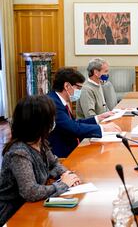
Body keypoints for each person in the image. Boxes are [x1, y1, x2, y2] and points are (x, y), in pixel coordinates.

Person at [0, 95, 81, 226]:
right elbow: (31, 192)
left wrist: (67, 174)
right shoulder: (19, 153)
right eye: (50, 118)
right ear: (38, 123)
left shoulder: (40, 142)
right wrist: (63, 184)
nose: (53, 121)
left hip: (34, 206)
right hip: (14, 214)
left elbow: (54, 163)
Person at [48, 67, 121, 158]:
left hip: (71, 149)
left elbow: (73, 123)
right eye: (78, 87)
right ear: (67, 86)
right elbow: (73, 128)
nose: (80, 91)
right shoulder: (53, 103)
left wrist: (98, 118)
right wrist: (102, 128)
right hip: (63, 155)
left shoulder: (57, 100)